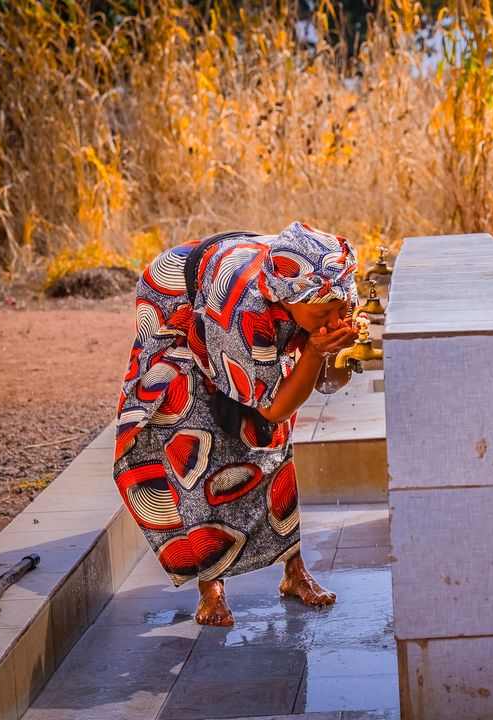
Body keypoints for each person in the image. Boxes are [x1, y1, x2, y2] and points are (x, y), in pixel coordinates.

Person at [114, 221, 360, 625]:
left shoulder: (331, 283)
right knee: (194, 441)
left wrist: (333, 348)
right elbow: (272, 409)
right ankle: (211, 588)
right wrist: (315, 353)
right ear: (287, 299)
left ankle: (294, 572)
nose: (336, 316)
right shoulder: (243, 312)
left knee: (272, 445)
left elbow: (323, 384)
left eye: (341, 307)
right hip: (177, 303)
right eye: (325, 312)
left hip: (238, 292)